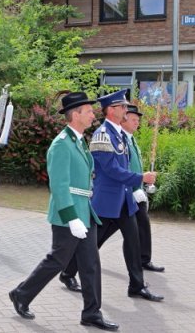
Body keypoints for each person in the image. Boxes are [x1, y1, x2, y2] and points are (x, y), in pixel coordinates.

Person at [9, 92, 119, 331]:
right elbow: (58, 186)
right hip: (68, 215)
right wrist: (72, 219)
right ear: (75, 114)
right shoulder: (61, 144)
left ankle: (91, 313)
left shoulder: (78, 141)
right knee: (57, 260)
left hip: (84, 212)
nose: (93, 114)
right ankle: (21, 294)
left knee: (90, 264)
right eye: (89, 111)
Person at [60, 89, 163, 302]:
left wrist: (136, 185)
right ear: (110, 110)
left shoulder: (119, 134)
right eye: (122, 106)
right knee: (92, 243)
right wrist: (140, 178)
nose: (126, 109)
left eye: (125, 106)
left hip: (124, 201)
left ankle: (136, 285)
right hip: (106, 202)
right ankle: (67, 273)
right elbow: (111, 170)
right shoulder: (102, 135)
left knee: (133, 242)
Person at [122, 105, 165, 273]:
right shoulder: (121, 140)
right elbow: (121, 169)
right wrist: (135, 187)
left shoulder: (132, 139)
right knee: (103, 231)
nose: (137, 123)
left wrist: (145, 180)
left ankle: (143, 260)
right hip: (126, 193)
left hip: (137, 192)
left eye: (138, 121)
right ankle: (81, 258)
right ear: (123, 119)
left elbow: (135, 165)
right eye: (134, 120)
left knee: (142, 225)